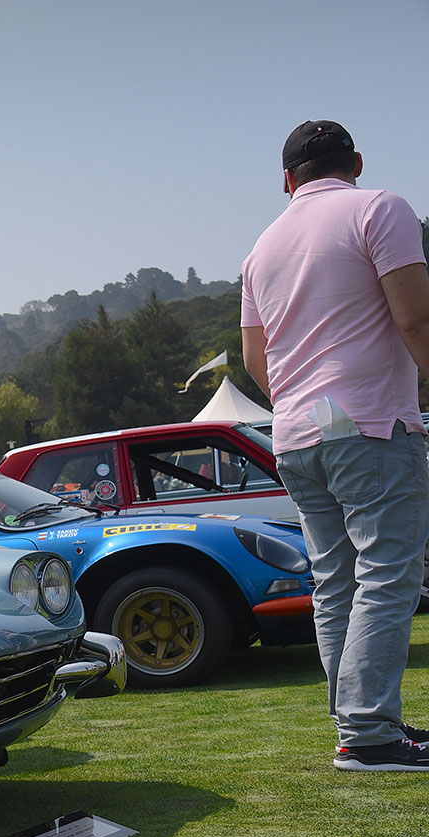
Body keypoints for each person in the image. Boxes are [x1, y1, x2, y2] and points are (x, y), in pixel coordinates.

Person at [241, 119, 429, 772]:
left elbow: (255, 358)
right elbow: (414, 317)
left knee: (337, 583)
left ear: (287, 180)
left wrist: (312, 408)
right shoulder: (380, 208)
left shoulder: (261, 249)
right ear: (355, 162)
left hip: (296, 436)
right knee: (389, 573)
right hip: (370, 424)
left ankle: (359, 724)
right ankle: (370, 733)